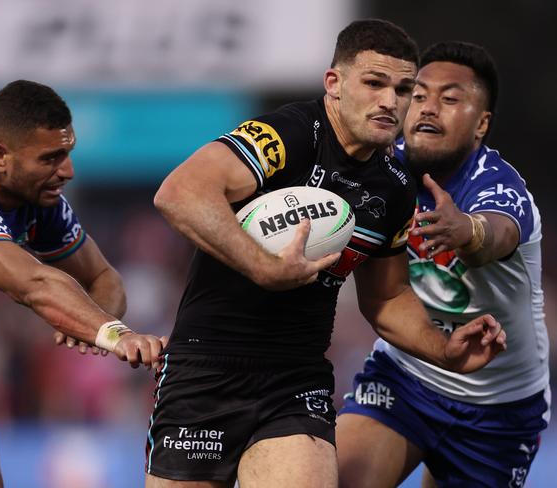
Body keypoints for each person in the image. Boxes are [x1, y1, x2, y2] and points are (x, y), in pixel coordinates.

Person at [148, 21, 506, 488]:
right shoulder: (288, 134)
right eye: (374, 83)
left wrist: (445, 347)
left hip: (295, 381)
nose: (390, 102)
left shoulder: (395, 187)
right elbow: (179, 192)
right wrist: (265, 266)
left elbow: (386, 298)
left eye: (403, 89)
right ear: (333, 84)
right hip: (204, 372)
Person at [0, 80, 166, 488]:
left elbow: (103, 279)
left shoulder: (36, 199)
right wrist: (114, 335)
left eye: (67, 153)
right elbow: (32, 284)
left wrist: (89, 323)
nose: (67, 171)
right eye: (51, 158)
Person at [336, 41, 551, 488]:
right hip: (406, 376)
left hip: (499, 410)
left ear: (481, 124)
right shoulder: (379, 167)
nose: (429, 108)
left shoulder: (500, 186)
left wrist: (467, 231)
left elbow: (497, 233)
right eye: (418, 95)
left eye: (450, 99)